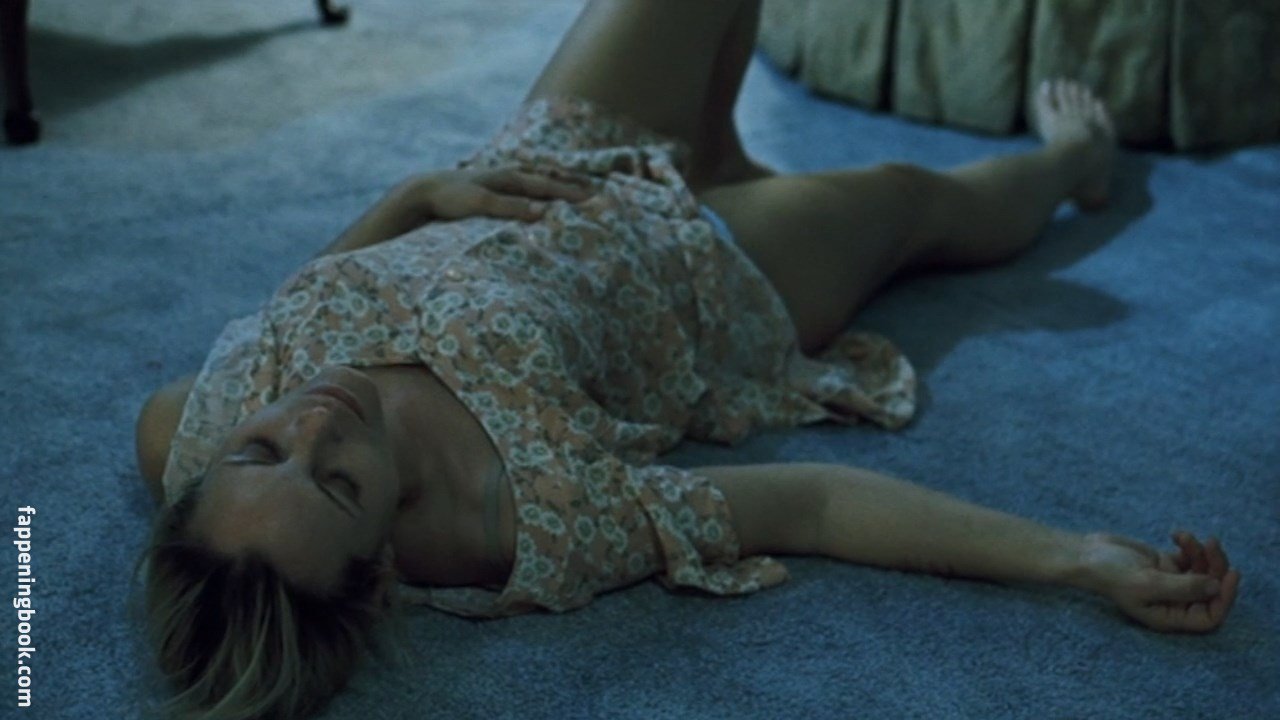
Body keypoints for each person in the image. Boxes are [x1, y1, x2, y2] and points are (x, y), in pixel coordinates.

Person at [133, 1, 1240, 718]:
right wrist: (1074, 560)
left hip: (552, 160)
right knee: (917, 202)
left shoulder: (183, 427)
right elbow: (810, 505)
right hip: (711, 270)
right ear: (379, 570)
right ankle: (1073, 159)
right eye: (337, 481)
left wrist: (413, 198)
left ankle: (721, 147)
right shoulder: (527, 523)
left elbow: (297, 303)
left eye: (261, 451)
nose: (314, 419)